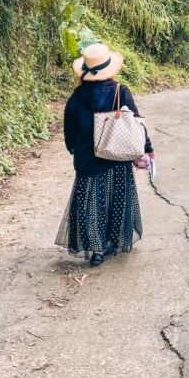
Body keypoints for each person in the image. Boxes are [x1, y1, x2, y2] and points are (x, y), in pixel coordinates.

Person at [56, 43, 153, 267]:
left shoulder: (75, 98)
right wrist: (147, 148)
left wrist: (75, 149)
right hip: (117, 157)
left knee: (92, 203)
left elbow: (69, 134)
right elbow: (136, 124)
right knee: (116, 199)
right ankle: (114, 239)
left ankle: (97, 249)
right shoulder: (121, 91)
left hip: (87, 161)